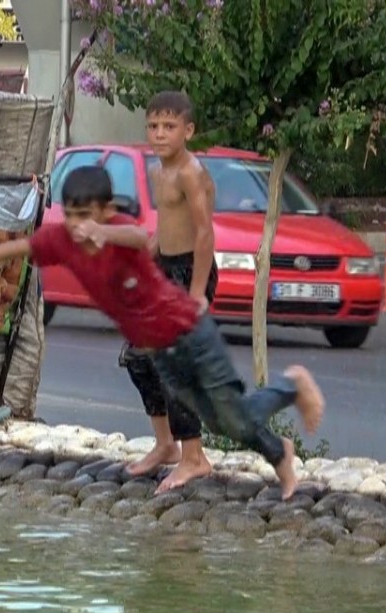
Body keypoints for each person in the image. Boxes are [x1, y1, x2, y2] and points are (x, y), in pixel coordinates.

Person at [0, 165, 324, 499]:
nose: (80, 224)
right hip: (160, 351)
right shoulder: (60, 240)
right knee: (216, 421)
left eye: (88, 215)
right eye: (73, 215)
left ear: (104, 210)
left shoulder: (118, 236)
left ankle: (288, 410)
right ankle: (280, 437)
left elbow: (143, 238)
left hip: (190, 332)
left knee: (233, 417)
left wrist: (106, 231)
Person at [120, 90, 219, 489]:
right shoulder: (159, 171)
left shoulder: (190, 173)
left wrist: (196, 294)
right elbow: (168, 223)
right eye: (153, 126)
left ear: (188, 130)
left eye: (169, 126)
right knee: (138, 358)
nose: (159, 134)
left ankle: (194, 456)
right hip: (166, 267)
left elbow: (204, 233)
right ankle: (166, 444)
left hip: (192, 271)